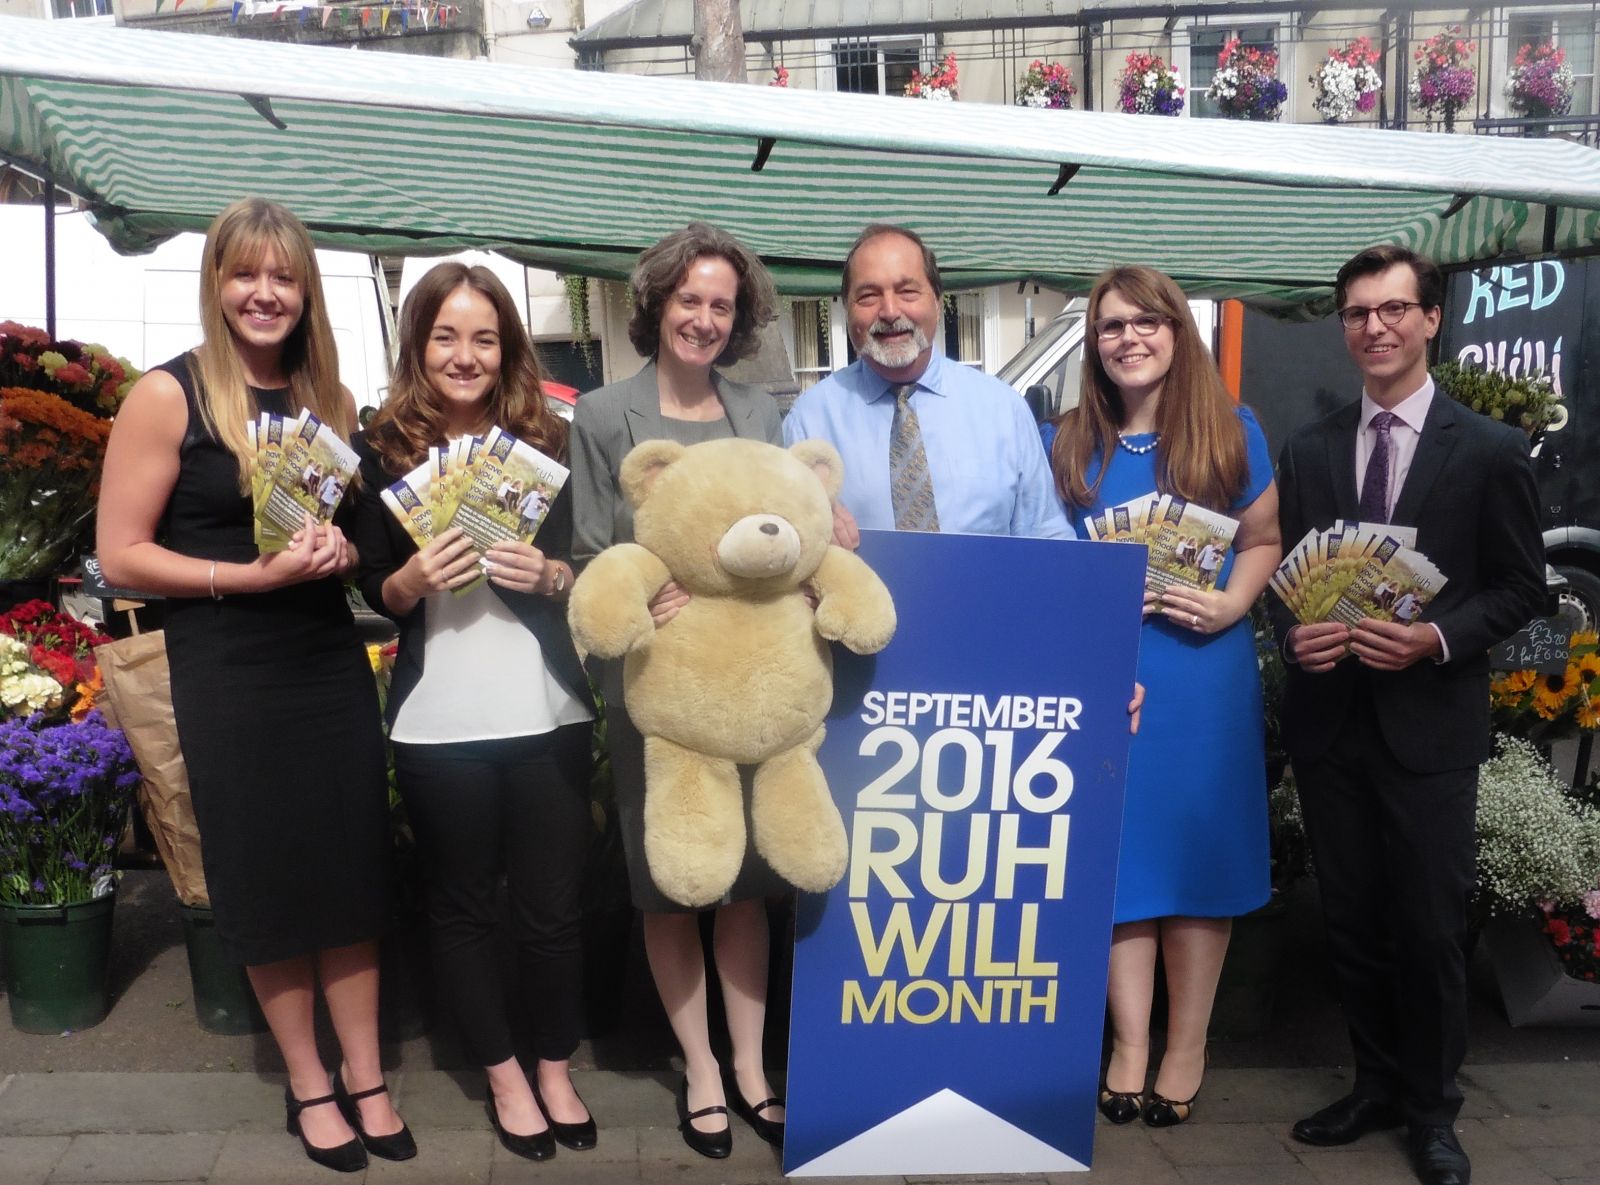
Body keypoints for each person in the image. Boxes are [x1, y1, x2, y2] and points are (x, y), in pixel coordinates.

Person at [96, 197, 410, 1174]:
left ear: (305, 290)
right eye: (245, 274)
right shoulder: (167, 396)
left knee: (349, 872)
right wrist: (245, 576)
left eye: (283, 276)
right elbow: (120, 556)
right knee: (271, 877)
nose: (264, 292)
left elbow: (357, 544)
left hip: (322, 659)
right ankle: (309, 1086)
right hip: (230, 667)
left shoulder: (332, 403)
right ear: (218, 283)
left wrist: (340, 546)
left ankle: (368, 1078)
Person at [1271, 245, 1544, 1185]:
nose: (1374, 327)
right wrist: (1296, 630)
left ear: (1431, 319)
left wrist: (1435, 640)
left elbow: (1520, 590)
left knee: (1429, 927)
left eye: (1393, 310)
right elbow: (1287, 579)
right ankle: (1375, 1083)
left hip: (1430, 727)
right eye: (1356, 313)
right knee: (1349, 918)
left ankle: (1434, 1112)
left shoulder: (1493, 451)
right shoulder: (1308, 448)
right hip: (1332, 724)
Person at [349, 263, 597, 1163]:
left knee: (552, 909)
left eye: (484, 337)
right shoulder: (379, 454)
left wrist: (554, 575)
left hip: (550, 709)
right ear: (417, 345)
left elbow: (586, 566)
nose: (465, 354)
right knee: (462, 909)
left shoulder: (551, 444)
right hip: (436, 722)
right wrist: (406, 582)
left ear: (508, 349)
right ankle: (502, 1074)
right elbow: (369, 584)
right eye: (446, 336)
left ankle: (555, 1064)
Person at [569, 223, 787, 1159]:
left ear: (739, 321)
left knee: (745, 886)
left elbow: (787, 540)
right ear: (656, 303)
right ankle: (697, 1067)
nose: (703, 317)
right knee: (671, 885)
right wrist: (634, 590)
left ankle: (750, 1068)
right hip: (654, 688)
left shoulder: (763, 413)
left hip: (746, 682)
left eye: (721, 305)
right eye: (689, 299)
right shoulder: (600, 414)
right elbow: (585, 554)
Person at [1045, 265, 1281, 1129]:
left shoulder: (1232, 431)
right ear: (1093, 343)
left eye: (1147, 322)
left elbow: (1264, 539)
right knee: (1117, 862)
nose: (1128, 337)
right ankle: (1130, 1042)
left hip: (1203, 671)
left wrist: (1232, 602)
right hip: (1108, 678)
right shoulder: (1064, 442)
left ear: (1179, 333)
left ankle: (1187, 1044)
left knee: (1195, 867)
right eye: (1110, 325)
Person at [782, 224, 1071, 540]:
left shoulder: (1004, 410)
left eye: (907, 292)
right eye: (868, 296)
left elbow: (1046, 535)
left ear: (936, 300)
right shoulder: (809, 421)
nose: (890, 311)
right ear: (848, 309)